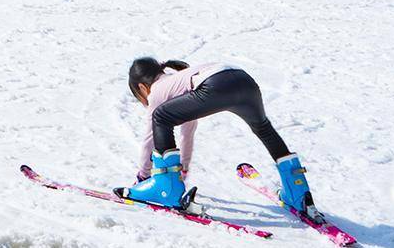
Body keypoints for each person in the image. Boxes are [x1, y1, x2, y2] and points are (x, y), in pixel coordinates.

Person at [120, 57, 323, 225]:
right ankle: (298, 193)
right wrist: (184, 170)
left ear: (142, 87)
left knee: (160, 117)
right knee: (263, 128)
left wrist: (143, 176)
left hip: (217, 83)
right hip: (244, 80)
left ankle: (165, 189)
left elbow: (149, 139)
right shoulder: (179, 81)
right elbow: (186, 134)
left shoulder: (157, 92)